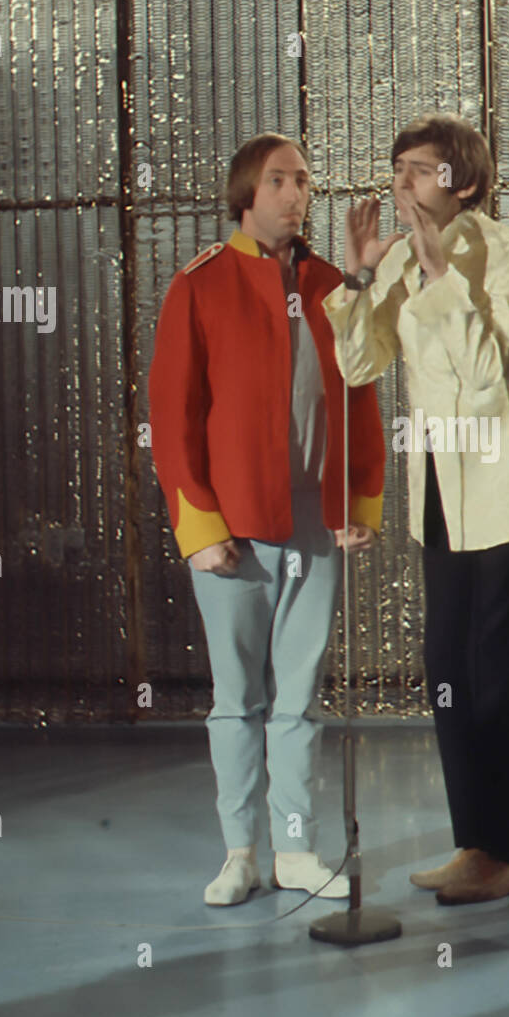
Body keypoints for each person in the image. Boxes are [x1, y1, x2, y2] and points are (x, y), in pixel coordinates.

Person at [148, 134, 386, 906]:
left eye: (305, 180)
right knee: (236, 698)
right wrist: (199, 526)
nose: (297, 194)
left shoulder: (329, 284)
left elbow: (359, 395)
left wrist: (356, 504)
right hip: (231, 528)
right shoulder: (200, 285)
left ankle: (294, 849)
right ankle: (239, 852)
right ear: (245, 193)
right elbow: (172, 414)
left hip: (313, 525)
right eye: (280, 180)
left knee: (298, 698)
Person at [321, 114, 509, 905]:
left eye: (420, 169)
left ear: (466, 182)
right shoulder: (393, 265)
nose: (403, 183)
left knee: (492, 675)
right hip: (439, 494)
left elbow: (485, 376)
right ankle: (474, 844)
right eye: (398, 169)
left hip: (504, 488)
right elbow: (359, 364)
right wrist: (358, 278)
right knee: (447, 671)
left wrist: (435, 269)